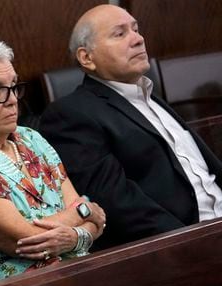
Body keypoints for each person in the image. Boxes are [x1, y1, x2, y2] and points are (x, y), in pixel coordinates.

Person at [39, 4, 222, 250]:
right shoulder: (71, 114)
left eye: (136, 29)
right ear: (86, 57)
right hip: (185, 246)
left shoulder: (150, 97)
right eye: (120, 33)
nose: (138, 39)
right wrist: (195, 244)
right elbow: (118, 204)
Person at [0, 36, 106, 279]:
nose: (12, 99)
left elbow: (95, 223)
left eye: (13, 86)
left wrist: (72, 236)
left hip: (79, 270)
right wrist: (85, 214)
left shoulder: (31, 138)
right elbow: (28, 239)